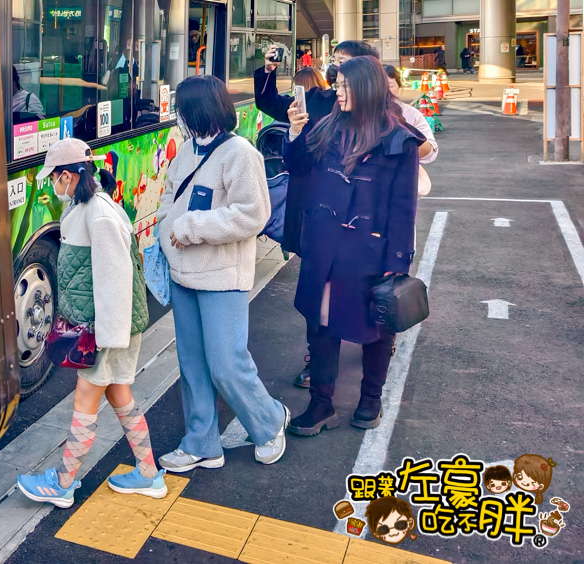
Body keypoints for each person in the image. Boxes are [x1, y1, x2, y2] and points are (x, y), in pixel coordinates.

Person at [16, 139, 165, 507]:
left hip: (107, 332)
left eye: (53, 177)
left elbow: (115, 281)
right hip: (108, 330)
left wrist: (105, 341)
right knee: (119, 396)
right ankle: (148, 474)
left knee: (85, 398)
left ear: (67, 176)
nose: (52, 184)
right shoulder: (86, 209)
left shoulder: (97, 216)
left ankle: (63, 483)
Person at [154, 76, 288, 473]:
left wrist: (190, 228)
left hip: (222, 278)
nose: (179, 117)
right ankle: (201, 443)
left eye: (183, 109)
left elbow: (253, 214)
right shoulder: (186, 153)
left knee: (227, 363)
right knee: (192, 364)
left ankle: (268, 422)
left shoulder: (240, 154)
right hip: (183, 276)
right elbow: (167, 200)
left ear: (198, 109)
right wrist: (167, 230)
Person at [283, 56, 421, 437]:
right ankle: (321, 404)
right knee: (321, 322)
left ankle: (370, 400)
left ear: (366, 87)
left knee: (377, 326)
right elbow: (296, 167)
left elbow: (403, 206)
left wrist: (397, 260)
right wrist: (294, 133)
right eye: (336, 85)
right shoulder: (327, 125)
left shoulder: (398, 138)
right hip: (324, 247)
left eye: (344, 86)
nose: (337, 93)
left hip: (370, 253)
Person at [254, 39, 380, 388]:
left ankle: (376, 354)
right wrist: (269, 71)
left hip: (362, 223)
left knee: (362, 290)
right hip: (314, 212)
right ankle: (318, 363)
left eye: (344, 64)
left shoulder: (387, 118)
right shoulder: (319, 101)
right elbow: (269, 102)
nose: (335, 71)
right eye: (334, 63)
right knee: (316, 292)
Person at [384, 65, 437, 163]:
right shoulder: (361, 113)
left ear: (399, 86)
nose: (385, 91)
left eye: (390, 86)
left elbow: (431, 150)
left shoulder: (411, 113)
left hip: (403, 173)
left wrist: (406, 143)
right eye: (379, 86)